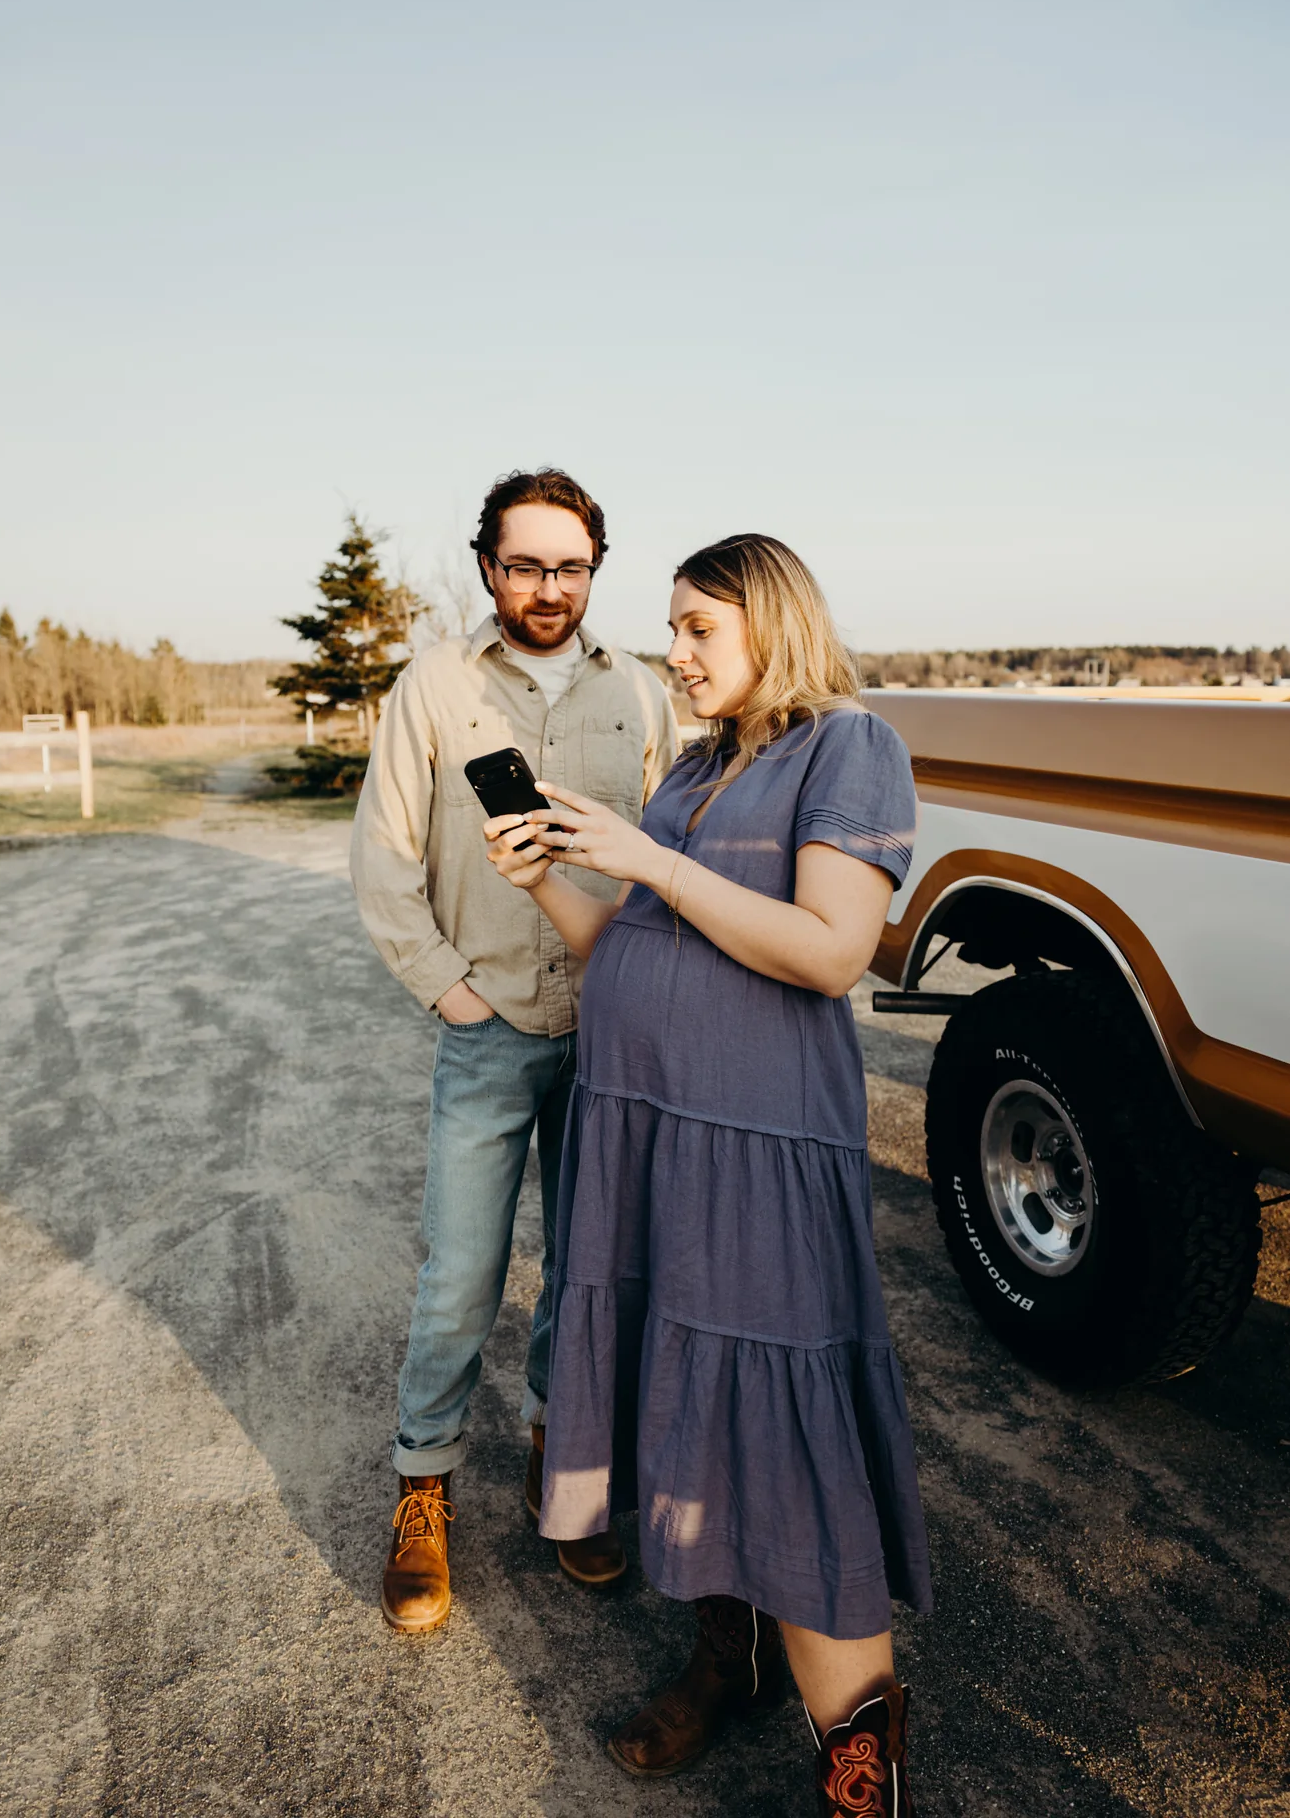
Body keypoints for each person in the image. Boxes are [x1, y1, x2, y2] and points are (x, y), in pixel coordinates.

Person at [485, 533, 932, 1816]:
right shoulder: (695, 764)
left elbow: (831, 949)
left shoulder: (847, 744)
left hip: (753, 1141)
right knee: (682, 1399)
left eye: (698, 628)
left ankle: (861, 1771)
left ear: (772, 625)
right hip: (648, 1133)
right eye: (671, 628)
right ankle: (726, 1659)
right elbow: (638, 944)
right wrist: (552, 881)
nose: (674, 653)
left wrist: (647, 859)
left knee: (779, 1433)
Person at [350, 468, 679, 1635]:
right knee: (461, 1272)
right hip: (488, 1023)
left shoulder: (642, 693)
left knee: (587, 1271)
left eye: (570, 565)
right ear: (488, 566)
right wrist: (448, 989)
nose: (548, 587)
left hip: (609, 1031)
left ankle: (563, 1461)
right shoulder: (434, 686)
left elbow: (669, 857)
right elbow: (383, 853)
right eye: (526, 564)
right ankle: (422, 1482)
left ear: (595, 568)